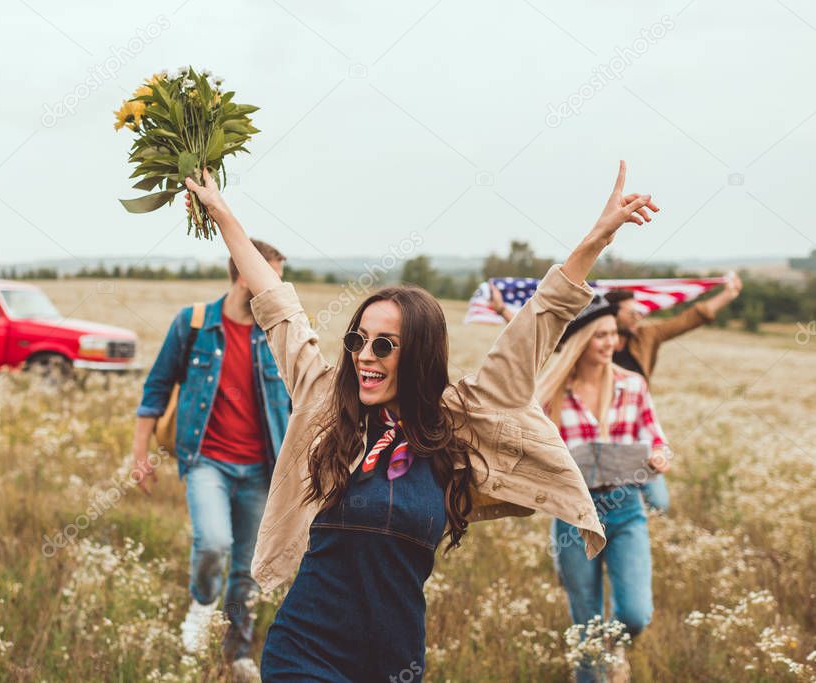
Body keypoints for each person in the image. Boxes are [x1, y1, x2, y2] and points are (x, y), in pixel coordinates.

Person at [184, 160, 657, 681]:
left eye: (384, 344)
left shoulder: (457, 421)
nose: (365, 355)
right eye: (357, 340)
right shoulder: (325, 404)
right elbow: (276, 304)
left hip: (395, 660)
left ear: (419, 355)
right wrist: (222, 212)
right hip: (304, 649)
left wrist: (597, 237)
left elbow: (540, 320)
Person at [130, 239, 292, 680]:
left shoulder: (279, 333)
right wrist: (140, 454)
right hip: (207, 462)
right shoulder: (194, 324)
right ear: (244, 273)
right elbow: (156, 389)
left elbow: (302, 399)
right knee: (214, 544)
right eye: (271, 277)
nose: (279, 290)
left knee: (249, 567)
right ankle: (201, 609)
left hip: (262, 469)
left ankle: (237, 651)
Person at [537, 297, 671, 683]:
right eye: (600, 335)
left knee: (635, 613)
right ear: (580, 340)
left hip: (626, 506)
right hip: (574, 515)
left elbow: (657, 439)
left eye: (613, 333)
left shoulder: (633, 385)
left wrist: (659, 457)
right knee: (585, 621)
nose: (610, 341)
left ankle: (614, 647)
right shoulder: (552, 394)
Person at [604, 273, 741, 512]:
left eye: (638, 311)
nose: (638, 315)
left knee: (658, 503)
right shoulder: (593, 342)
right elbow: (550, 338)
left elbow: (690, 318)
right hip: (602, 434)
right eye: (631, 312)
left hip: (637, 433)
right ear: (612, 314)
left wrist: (728, 295)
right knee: (605, 498)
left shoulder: (646, 337)